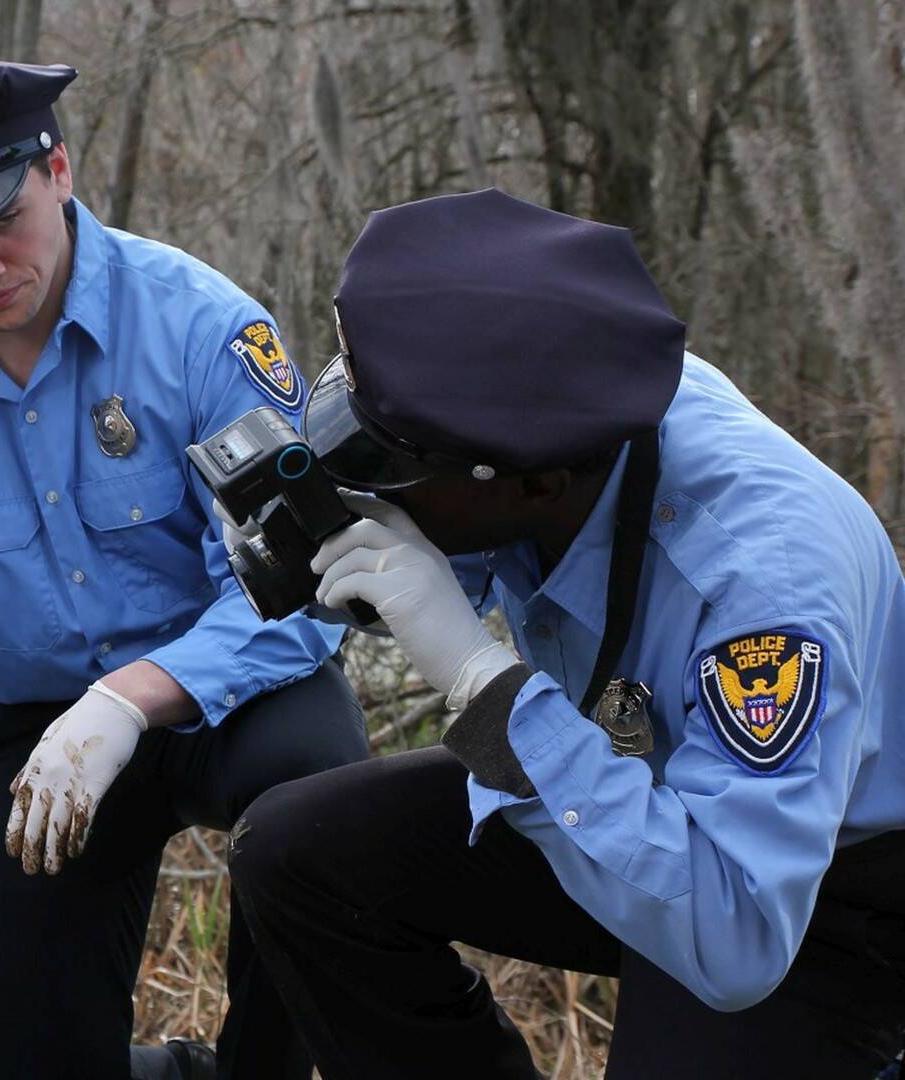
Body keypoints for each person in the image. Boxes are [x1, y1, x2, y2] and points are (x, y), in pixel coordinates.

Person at [223, 188, 905, 1078]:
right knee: (295, 853)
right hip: (618, 778)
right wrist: (323, 559)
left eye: (390, 467)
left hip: (799, 892)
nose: (373, 484)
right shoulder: (554, 399)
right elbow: (457, 531)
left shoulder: (763, 583)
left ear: (534, 484)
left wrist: (485, 685)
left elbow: (736, 937)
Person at [0, 60, 368, 1080]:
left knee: (317, 809)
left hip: (231, 693)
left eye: (4, 222)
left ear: (58, 171)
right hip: (36, 735)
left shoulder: (203, 329)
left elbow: (299, 587)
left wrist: (129, 700)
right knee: (40, 1058)